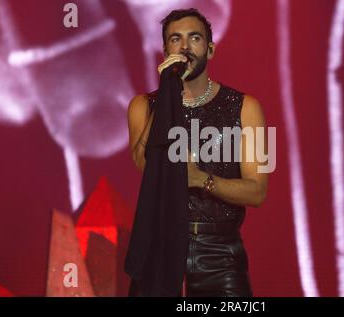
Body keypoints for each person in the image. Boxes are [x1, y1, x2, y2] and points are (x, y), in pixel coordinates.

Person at [126, 8, 268, 297]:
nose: (185, 47)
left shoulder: (245, 107)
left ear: (211, 49)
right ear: (165, 50)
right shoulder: (143, 105)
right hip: (160, 248)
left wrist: (200, 178)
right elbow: (142, 163)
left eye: (195, 38)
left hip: (219, 253)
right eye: (175, 39)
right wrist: (168, 93)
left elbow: (257, 192)